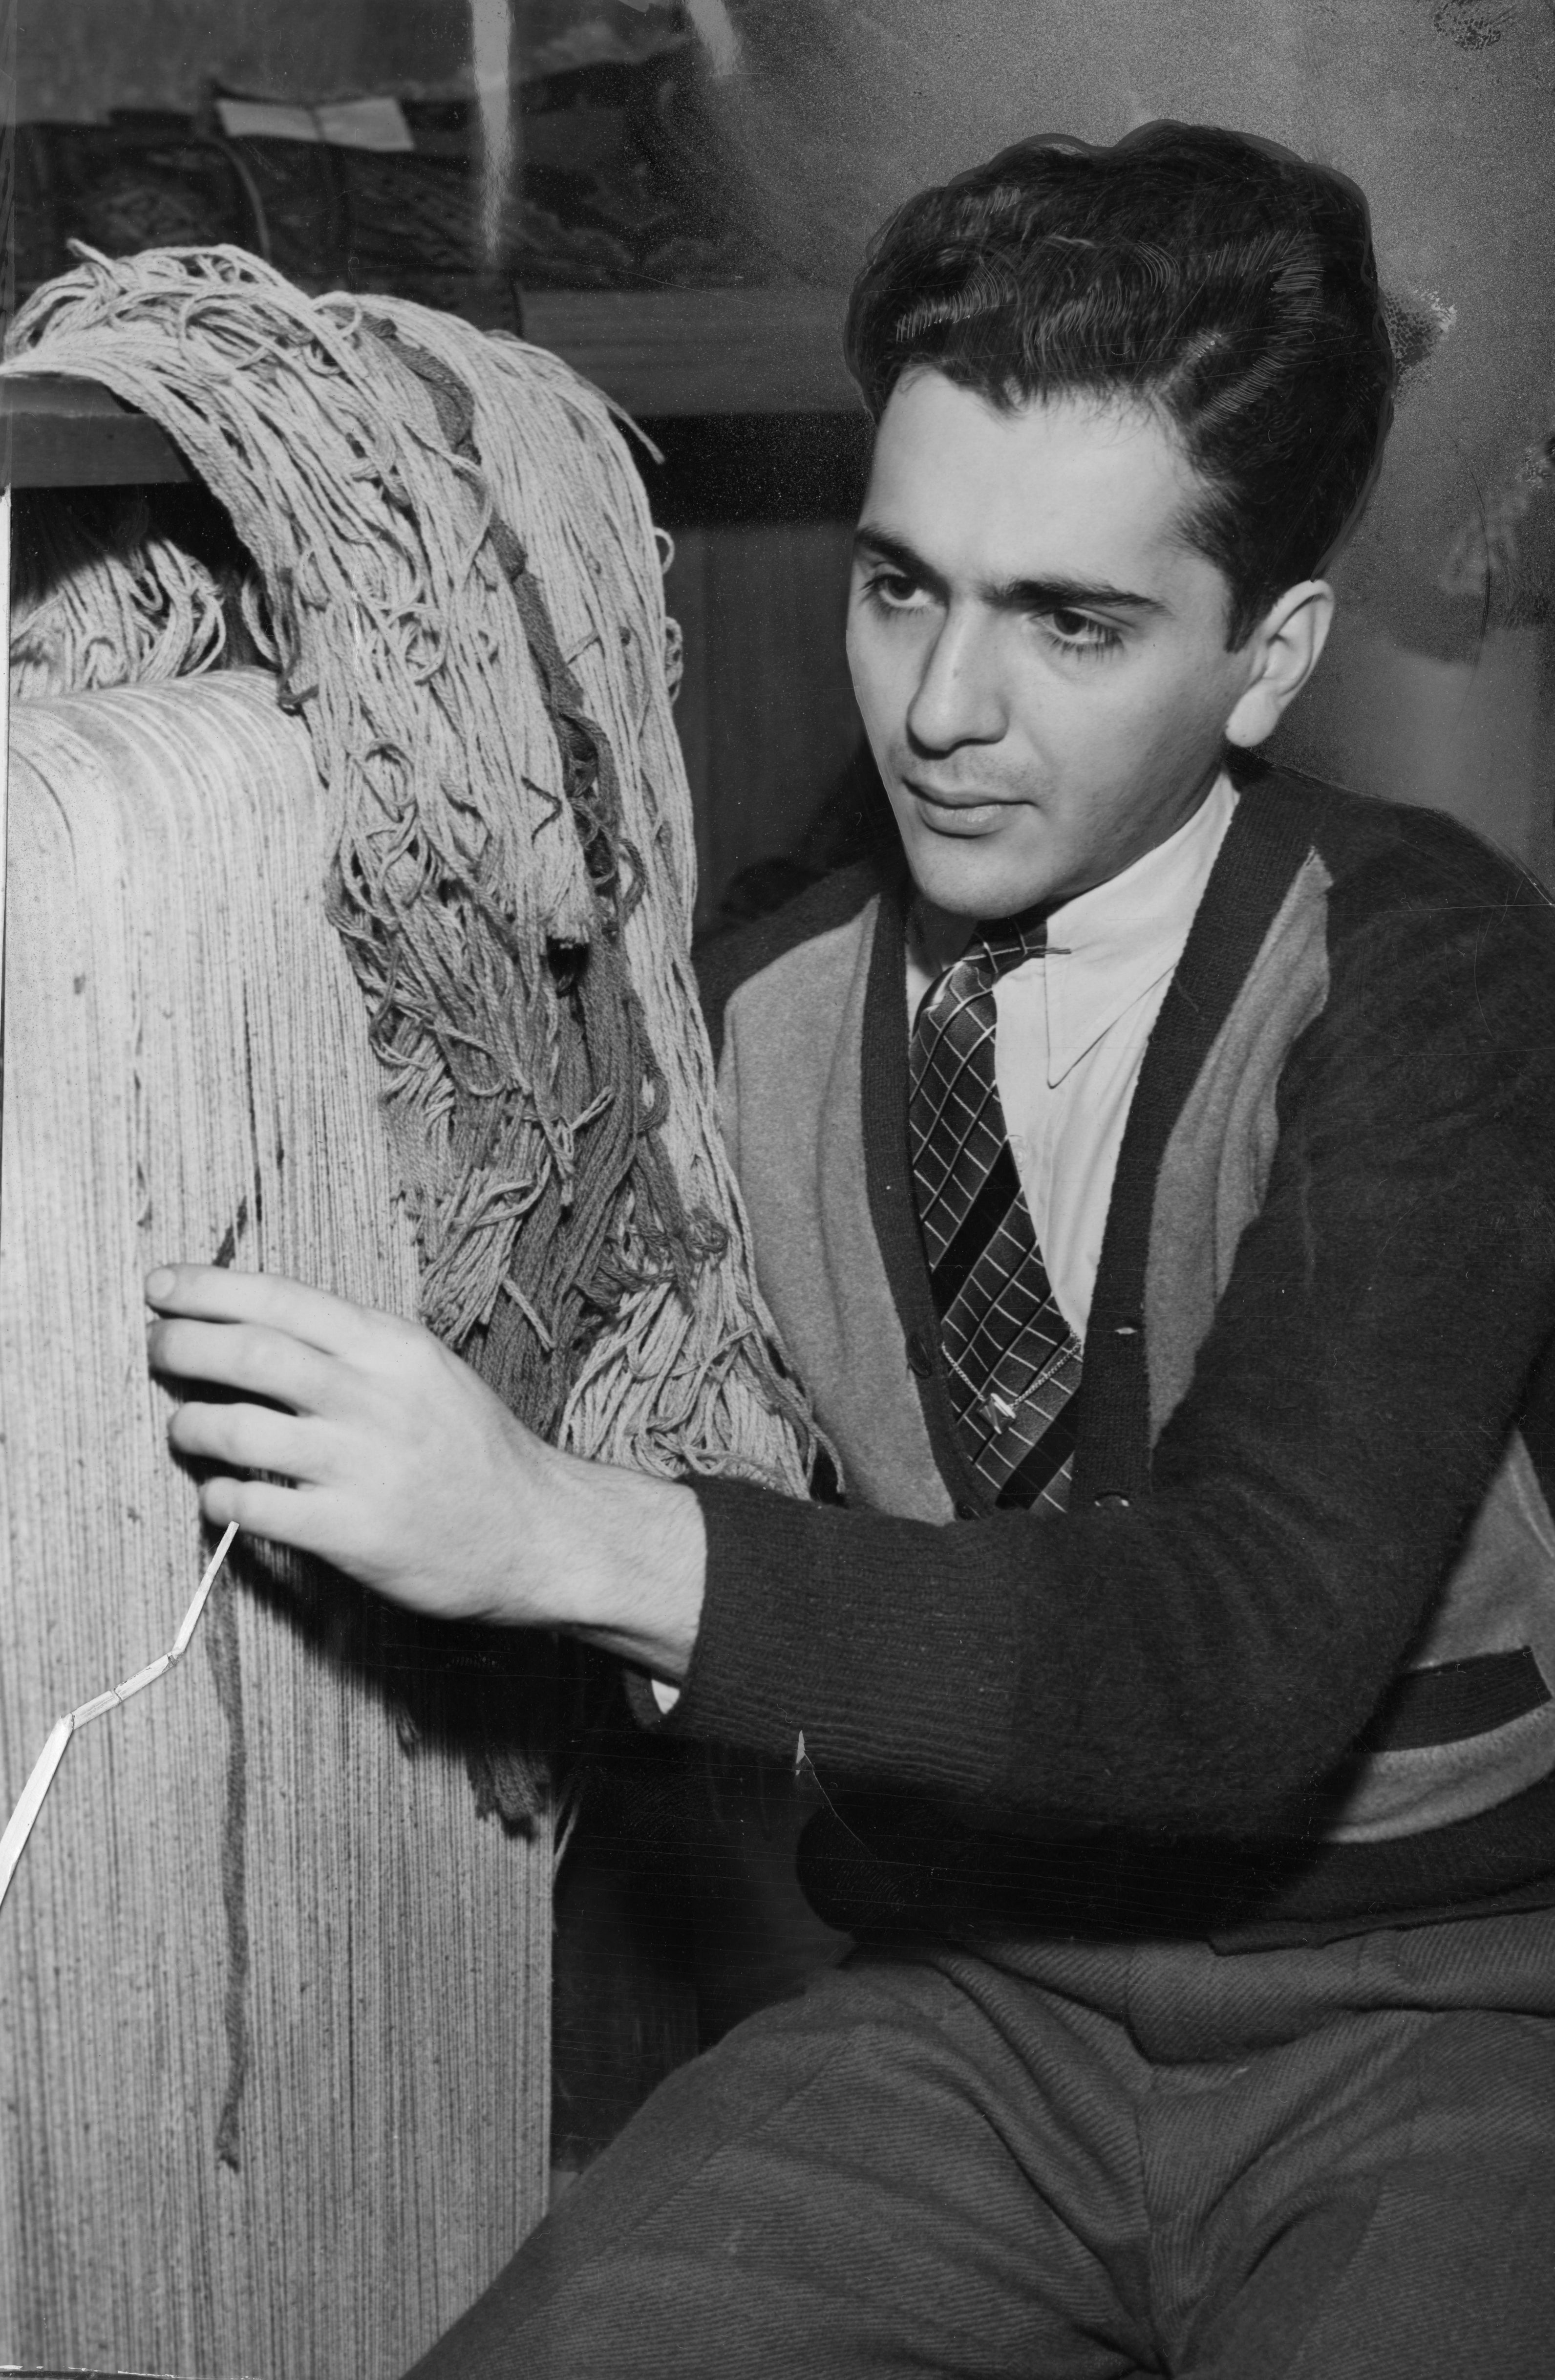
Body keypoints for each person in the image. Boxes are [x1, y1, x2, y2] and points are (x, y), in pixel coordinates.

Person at [147, 123, 1555, 2379]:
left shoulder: (1430, 974)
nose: (942, 712)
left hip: (1447, 2023)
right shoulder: (760, 1012)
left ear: (1272, 659)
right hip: (963, 2020)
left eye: (1071, 622)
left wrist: (566, 1536)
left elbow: (1245, 1656)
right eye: (901, 585)